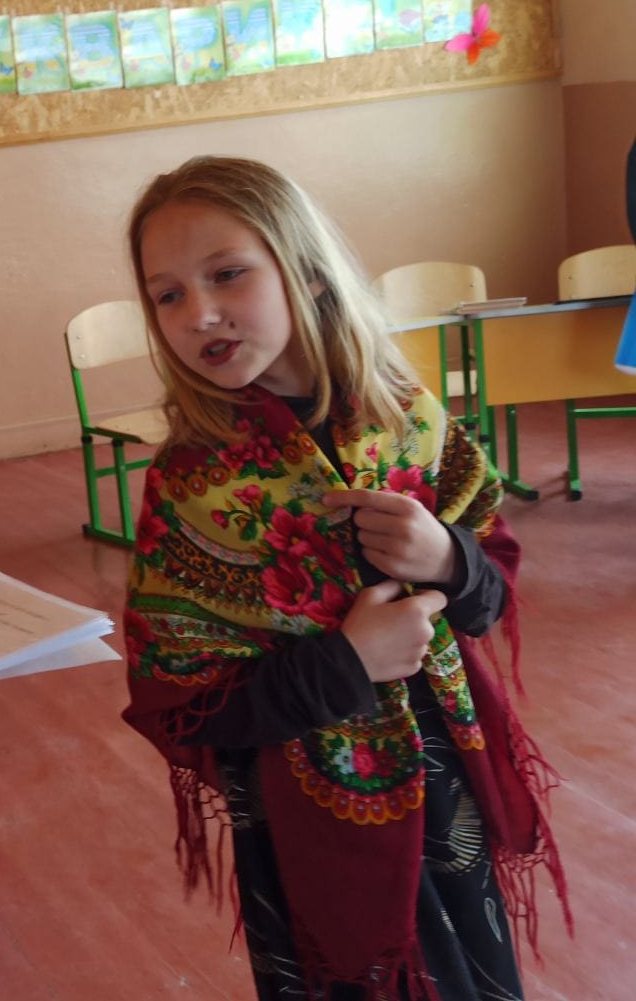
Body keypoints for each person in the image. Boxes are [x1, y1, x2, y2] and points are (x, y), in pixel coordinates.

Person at [118, 156, 568, 1000]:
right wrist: (348, 663)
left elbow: (491, 579)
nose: (199, 312)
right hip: (309, 820)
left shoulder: (402, 411)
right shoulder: (191, 484)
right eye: (167, 294)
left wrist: (448, 557)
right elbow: (182, 699)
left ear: (309, 271)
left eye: (227, 274)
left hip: (447, 783)